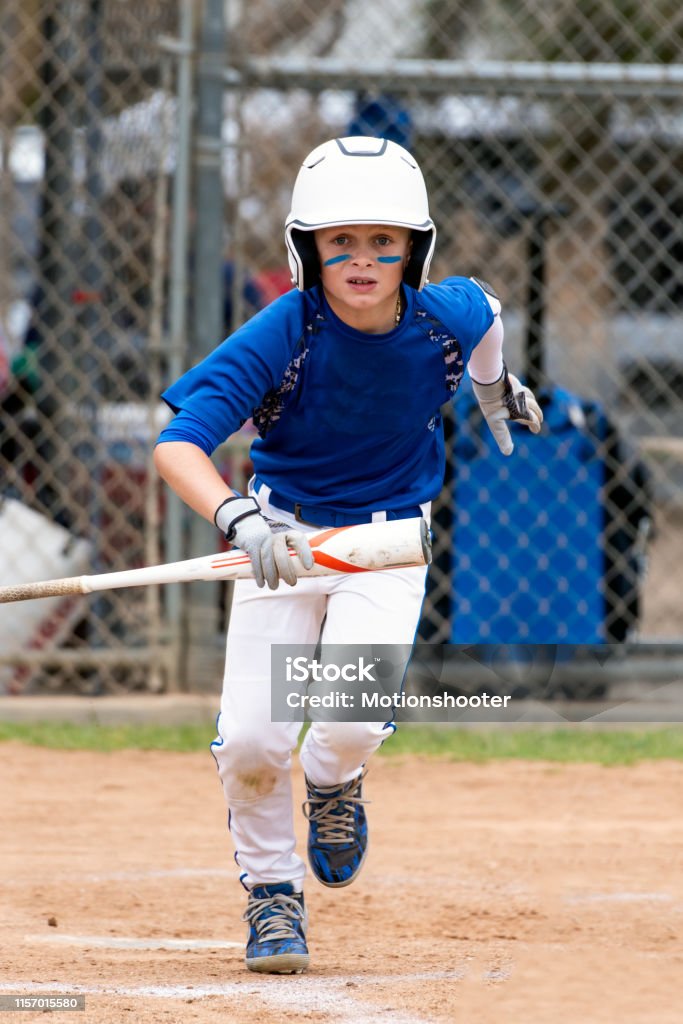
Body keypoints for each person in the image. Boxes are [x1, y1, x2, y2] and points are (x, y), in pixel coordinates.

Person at [153, 136, 543, 975]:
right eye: (339, 242)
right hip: (283, 539)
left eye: (382, 242)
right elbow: (178, 443)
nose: (361, 261)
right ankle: (272, 895)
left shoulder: (448, 313)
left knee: (348, 719)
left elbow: (490, 318)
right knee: (255, 743)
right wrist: (239, 520)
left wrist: (490, 389)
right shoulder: (282, 331)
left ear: (414, 249)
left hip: (386, 540)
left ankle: (332, 782)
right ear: (308, 249)